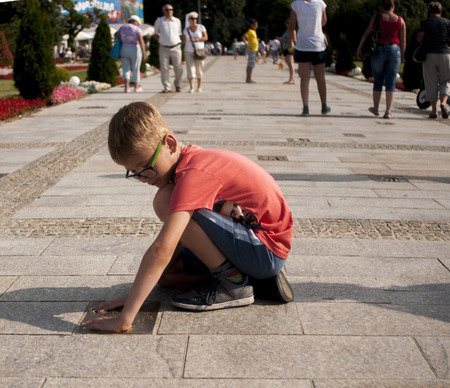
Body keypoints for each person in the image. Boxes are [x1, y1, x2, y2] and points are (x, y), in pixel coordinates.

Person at [84, 102, 294, 333]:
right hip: (252, 243)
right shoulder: (190, 162)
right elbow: (171, 250)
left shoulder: (194, 173)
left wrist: (125, 318)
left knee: (165, 200)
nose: (144, 178)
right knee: (169, 276)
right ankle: (250, 279)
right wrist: (135, 295)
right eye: (134, 173)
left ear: (170, 144)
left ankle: (234, 284)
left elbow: (162, 249)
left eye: (146, 167)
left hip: (266, 249)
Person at [357, 0, 406, 119]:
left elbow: (366, 33)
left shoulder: (377, 18)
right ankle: (388, 111)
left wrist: (360, 48)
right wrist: (403, 55)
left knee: (378, 80)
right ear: (393, 6)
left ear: (382, 6)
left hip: (379, 50)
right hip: (394, 50)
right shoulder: (400, 20)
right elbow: (403, 41)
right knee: (391, 82)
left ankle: (376, 108)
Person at [288, 0, 330, 116]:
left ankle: (305, 107)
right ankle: (324, 105)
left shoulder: (295, 4)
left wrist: (291, 42)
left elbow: (291, 25)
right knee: (320, 77)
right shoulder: (321, 3)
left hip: (302, 44)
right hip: (317, 44)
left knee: (304, 78)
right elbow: (324, 21)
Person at [417, 1, 450, 119]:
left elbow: (420, 38)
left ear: (429, 11)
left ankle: (434, 111)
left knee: (430, 81)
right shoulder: (447, 22)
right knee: (446, 80)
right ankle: (443, 103)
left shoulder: (426, 22)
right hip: (445, 54)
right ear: (441, 11)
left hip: (430, 54)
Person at [154, 4, 183, 93]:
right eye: (167, 10)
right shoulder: (159, 21)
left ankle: (177, 83)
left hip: (176, 47)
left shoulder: (177, 21)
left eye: (171, 9)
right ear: (163, 11)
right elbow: (156, 34)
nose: (169, 11)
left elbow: (179, 33)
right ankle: (167, 86)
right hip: (164, 48)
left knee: (179, 67)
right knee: (164, 68)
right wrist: (162, 41)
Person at [117, 15, 146, 93]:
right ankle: (136, 87)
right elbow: (141, 40)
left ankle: (126, 88)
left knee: (125, 68)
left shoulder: (122, 28)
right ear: (135, 21)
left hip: (124, 48)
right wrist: (144, 52)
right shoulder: (136, 29)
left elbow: (116, 36)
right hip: (134, 48)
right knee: (136, 68)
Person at [182, 11, 208, 93]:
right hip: (188, 51)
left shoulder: (201, 27)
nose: (194, 20)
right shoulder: (186, 30)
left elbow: (205, 37)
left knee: (199, 69)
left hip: (199, 51)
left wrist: (196, 40)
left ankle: (199, 86)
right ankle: (191, 87)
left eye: (195, 19)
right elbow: (183, 40)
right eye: (192, 19)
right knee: (190, 69)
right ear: (188, 20)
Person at [280, 19, 296, 84]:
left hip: (290, 48)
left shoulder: (292, 31)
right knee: (288, 63)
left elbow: (294, 40)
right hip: (285, 48)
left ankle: (291, 79)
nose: (288, 24)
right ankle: (291, 78)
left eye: (289, 23)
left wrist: (285, 40)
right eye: (287, 23)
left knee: (290, 63)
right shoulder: (286, 30)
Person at [242, 19, 259, 83]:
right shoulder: (250, 31)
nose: (256, 26)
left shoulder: (254, 31)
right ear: (251, 25)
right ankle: (248, 78)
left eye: (257, 25)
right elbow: (243, 37)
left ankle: (249, 78)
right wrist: (247, 44)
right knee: (250, 65)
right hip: (251, 50)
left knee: (251, 65)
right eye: (254, 25)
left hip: (254, 50)